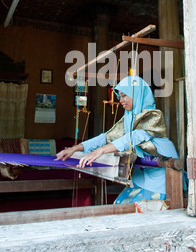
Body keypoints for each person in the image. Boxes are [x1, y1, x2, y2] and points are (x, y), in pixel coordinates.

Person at [55, 75, 179, 203]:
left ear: (137, 94)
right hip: (142, 175)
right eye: (119, 96)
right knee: (118, 207)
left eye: (124, 95)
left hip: (163, 176)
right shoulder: (129, 118)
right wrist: (74, 149)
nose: (120, 100)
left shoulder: (152, 115)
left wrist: (100, 151)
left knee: (133, 214)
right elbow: (106, 137)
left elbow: (133, 137)